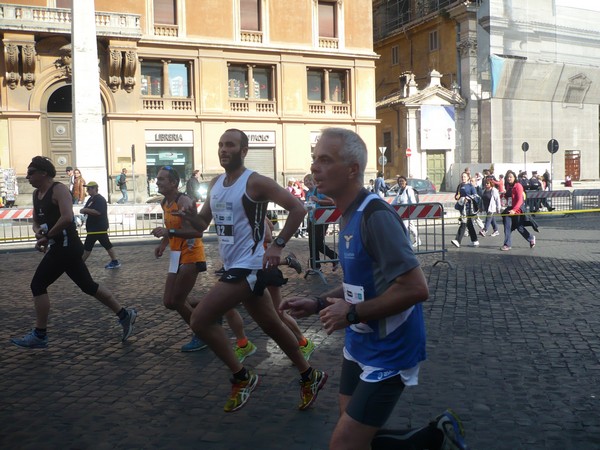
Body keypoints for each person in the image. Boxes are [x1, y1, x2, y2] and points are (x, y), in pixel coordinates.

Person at [280, 128, 467, 450]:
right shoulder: (347, 214)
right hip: (360, 341)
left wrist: (351, 313)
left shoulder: (375, 215)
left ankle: (435, 437)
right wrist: (318, 301)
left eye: (325, 160)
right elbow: (359, 283)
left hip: (391, 349)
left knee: (344, 445)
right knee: (351, 428)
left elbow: (415, 288)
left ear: (352, 168)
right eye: (314, 160)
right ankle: (435, 437)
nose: (314, 168)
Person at [178, 128, 327, 413]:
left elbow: (297, 209)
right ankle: (310, 375)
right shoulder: (216, 184)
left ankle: (242, 377)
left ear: (243, 151)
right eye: (221, 144)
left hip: (249, 268)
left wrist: (278, 245)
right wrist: (188, 220)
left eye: (230, 145)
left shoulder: (255, 182)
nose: (223, 149)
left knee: (199, 320)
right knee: (272, 325)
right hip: (234, 266)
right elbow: (201, 226)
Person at [11, 156, 137, 349]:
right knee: (87, 285)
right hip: (59, 246)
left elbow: (68, 217)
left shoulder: (58, 189)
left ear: (43, 173)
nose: (27, 176)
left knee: (38, 285)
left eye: (30, 173)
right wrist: (39, 233)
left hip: (67, 246)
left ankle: (40, 334)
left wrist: (48, 236)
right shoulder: (37, 194)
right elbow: (36, 221)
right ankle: (124, 314)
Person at [151, 166, 209, 352]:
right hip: (176, 255)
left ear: (174, 183)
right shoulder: (164, 203)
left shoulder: (184, 201)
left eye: (161, 179)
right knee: (169, 302)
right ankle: (213, 307)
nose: (157, 182)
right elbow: (171, 227)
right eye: (157, 179)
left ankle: (202, 334)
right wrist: (163, 244)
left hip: (191, 253)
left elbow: (197, 231)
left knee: (177, 301)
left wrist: (169, 232)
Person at [80, 181, 121, 269]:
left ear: (95, 188)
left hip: (98, 227)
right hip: (93, 227)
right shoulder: (91, 199)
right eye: (87, 188)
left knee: (87, 247)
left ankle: (79, 264)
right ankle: (115, 261)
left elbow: (98, 212)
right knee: (106, 244)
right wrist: (85, 210)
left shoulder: (100, 199)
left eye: (89, 188)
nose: (87, 190)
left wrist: (86, 210)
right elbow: (86, 209)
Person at [305, 173, 338, 270]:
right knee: (312, 243)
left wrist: (318, 200)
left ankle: (334, 257)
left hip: (321, 220)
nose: (307, 182)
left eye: (309, 180)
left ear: (313, 181)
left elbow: (331, 201)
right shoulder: (307, 193)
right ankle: (315, 266)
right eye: (305, 181)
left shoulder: (319, 191)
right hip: (312, 219)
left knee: (318, 243)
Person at [501, 170, 536, 251]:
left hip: (517, 210)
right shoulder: (508, 186)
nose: (509, 178)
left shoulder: (518, 186)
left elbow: (520, 200)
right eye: (508, 177)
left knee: (519, 227)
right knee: (507, 227)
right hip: (509, 209)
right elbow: (509, 197)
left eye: (511, 177)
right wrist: (504, 197)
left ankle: (531, 238)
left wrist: (514, 210)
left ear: (514, 177)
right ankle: (507, 244)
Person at [451, 172, 480, 248]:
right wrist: (457, 197)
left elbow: (476, 196)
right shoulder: (460, 186)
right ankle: (475, 240)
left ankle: (458, 240)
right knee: (469, 224)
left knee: (464, 222)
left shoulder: (470, 186)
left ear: (468, 178)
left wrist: (468, 198)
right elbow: (457, 195)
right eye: (462, 177)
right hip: (462, 207)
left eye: (464, 177)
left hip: (469, 208)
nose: (463, 178)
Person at [391, 175, 421, 248]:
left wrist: (411, 210)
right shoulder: (399, 190)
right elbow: (395, 201)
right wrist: (389, 206)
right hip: (402, 213)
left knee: (404, 227)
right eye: (399, 181)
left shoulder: (408, 190)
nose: (401, 183)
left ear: (405, 182)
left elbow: (413, 201)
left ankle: (406, 242)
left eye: (402, 181)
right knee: (411, 227)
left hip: (408, 212)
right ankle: (417, 240)